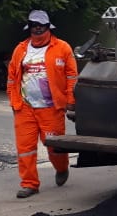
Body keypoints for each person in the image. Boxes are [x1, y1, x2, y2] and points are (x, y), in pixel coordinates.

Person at [6, 10, 78, 199]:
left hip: (51, 108)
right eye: (33, 25)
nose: (37, 29)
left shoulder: (62, 48)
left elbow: (72, 77)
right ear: (29, 27)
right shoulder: (20, 49)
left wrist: (71, 101)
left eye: (41, 25)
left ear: (48, 27)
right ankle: (29, 184)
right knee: (25, 148)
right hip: (25, 107)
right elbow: (12, 78)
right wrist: (13, 100)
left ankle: (62, 168)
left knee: (54, 147)